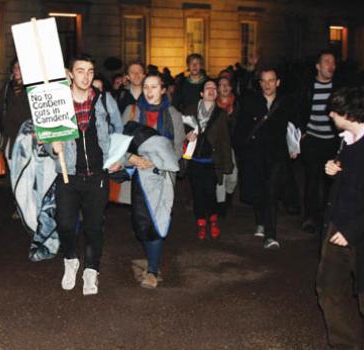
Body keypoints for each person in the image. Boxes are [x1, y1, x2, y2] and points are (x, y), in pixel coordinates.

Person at [48, 54, 123, 296]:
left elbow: (118, 130)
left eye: (90, 71)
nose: (86, 76)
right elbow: (46, 138)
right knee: (66, 225)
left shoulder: (103, 100)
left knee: (94, 227)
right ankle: (71, 261)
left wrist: (116, 158)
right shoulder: (57, 102)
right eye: (80, 71)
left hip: (97, 176)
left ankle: (91, 270)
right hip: (68, 174)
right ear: (70, 73)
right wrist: (52, 147)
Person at [316, 86, 364, 349]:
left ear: (349, 113)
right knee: (329, 289)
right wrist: (333, 168)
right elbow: (350, 177)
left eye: (335, 111)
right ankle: (344, 344)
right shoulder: (347, 139)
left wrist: (353, 231)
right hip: (338, 227)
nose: (331, 114)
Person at [122, 72, 185, 288]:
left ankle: (152, 269)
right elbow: (119, 144)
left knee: (158, 220)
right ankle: (152, 263)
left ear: (163, 89)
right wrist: (132, 158)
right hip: (139, 176)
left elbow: (177, 150)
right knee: (142, 221)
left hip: (163, 176)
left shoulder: (173, 115)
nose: (149, 92)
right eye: (146, 87)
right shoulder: (132, 112)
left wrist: (156, 162)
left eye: (154, 87)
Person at [233, 68, 294, 249]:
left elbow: (292, 126)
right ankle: (260, 220)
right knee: (260, 189)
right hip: (255, 154)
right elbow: (242, 125)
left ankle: (270, 235)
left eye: (271, 80)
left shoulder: (285, 103)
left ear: (278, 82)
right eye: (264, 81)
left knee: (271, 191)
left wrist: (294, 146)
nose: (267, 85)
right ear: (259, 83)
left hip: (277, 154)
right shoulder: (251, 101)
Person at [183, 79, 232, 239]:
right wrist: (186, 135)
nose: (211, 90)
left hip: (212, 161)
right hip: (194, 160)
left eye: (214, 88)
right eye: (207, 88)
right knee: (197, 194)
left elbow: (225, 139)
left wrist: (227, 164)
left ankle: (213, 220)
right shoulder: (190, 111)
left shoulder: (220, 113)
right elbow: (180, 130)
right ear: (202, 93)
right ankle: (201, 224)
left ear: (216, 93)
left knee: (211, 193)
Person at [297, 50, 340, 234]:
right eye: (327, 62)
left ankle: (330, 218)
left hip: (333, 142)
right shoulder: (307, 87)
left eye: (333, 62)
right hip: (313, 140)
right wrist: (302, 131)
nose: (331, 65)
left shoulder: (339, 88)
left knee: (333, 182)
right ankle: (310, 218)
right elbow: (298, 108)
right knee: (312, 180)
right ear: (318, 66)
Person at [215, 75, 239, 217]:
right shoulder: (212, 105)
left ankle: (228, 197)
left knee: (233, 176)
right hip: (218, 146)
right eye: (221, 85)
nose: (224, 87)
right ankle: (221, 205)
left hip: (233, 146)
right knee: (220, 177)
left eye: (227, 85)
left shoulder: (237, 104)